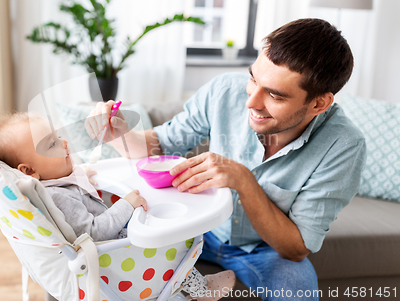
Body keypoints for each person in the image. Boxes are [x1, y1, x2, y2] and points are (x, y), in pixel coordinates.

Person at [84, 18, 367, 300]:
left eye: (275, 95)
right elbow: (158, 145)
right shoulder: (223, 91)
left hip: (264, 251)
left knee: (298, 292)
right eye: (254, 79)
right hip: (193, 229)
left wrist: (243, 180)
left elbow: (295, 248)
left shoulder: (344, 145)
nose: (251, 102)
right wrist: (118, 131)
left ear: (319, 103)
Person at [0, 112, 236, 301]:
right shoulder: (59, 197)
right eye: (52, 144)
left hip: (112, 243)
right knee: (172, 243)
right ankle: (200, 290)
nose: (64, 143)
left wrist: (81, 175)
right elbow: (95, 232)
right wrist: (127, 205)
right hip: (115, 255)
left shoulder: (59, 184)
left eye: (58, 137)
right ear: (30, 171)